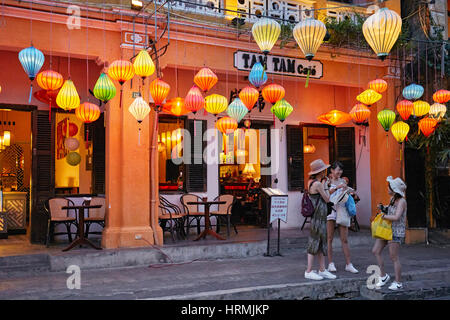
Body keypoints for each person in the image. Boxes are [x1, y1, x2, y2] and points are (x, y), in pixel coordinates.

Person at [371, 176, 407, 290]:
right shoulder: (392, 199)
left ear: (394, 189)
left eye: (389, 187)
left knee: (394, 257)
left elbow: (397, 216)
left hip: (396, 231)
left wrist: (384, 216)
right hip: (387, 229)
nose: (387, 188)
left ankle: (398, 282)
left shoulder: (402, 201)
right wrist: (384, 208)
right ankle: (383, 276)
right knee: (376, 251)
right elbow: (391, 210)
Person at [304, 159, 337, 281]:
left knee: (321, 243)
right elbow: (327, 199)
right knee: (314, 243)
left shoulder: (311, 182)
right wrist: (326, 185)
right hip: (318, 217)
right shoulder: (317, 184)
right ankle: (308, 270)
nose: (326, 172)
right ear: (321, 171)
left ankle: (322, 269)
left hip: (319, 217)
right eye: (324, 170)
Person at [326, 161, 359, 274]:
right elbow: (326, 195)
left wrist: (348, 192)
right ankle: (330, 263)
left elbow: (346, 196)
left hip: (342, 209)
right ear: (332, 170)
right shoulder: (327, 181)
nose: (339, 172)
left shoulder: (344, 181)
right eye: (337, 169)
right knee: (329, 238)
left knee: (344, 239)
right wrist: (337, 188)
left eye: (341, 170)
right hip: (330, 210)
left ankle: (349, 264)